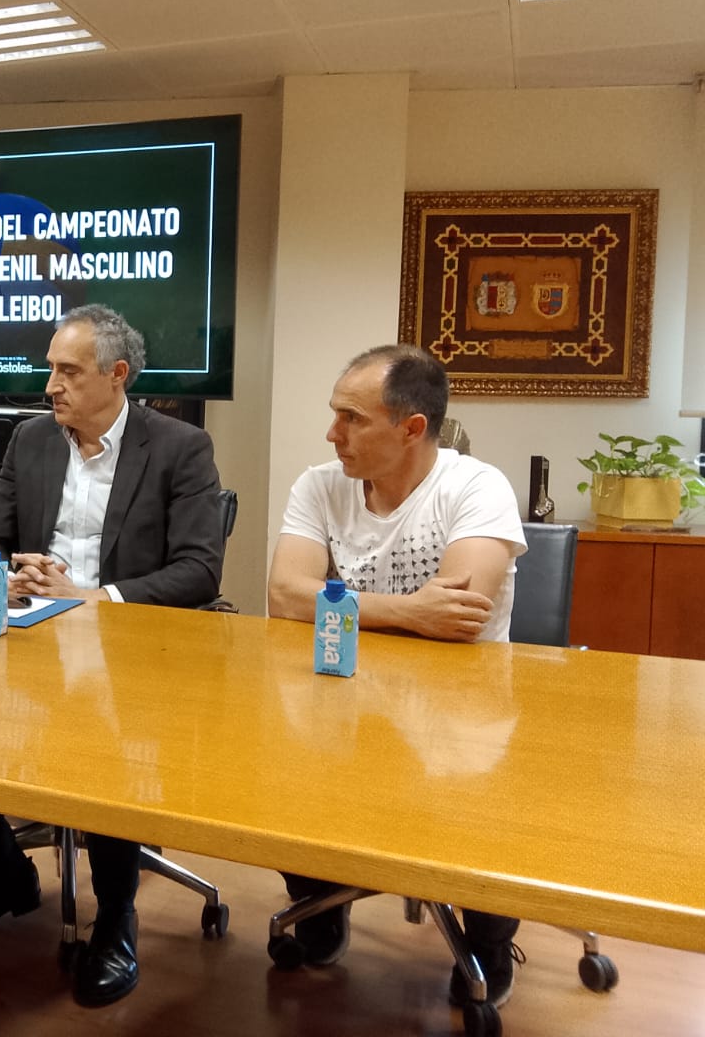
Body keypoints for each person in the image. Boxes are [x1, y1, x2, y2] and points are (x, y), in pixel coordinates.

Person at [0, 304, 226, 1008]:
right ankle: (4, 873)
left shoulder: (180, 447)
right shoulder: (31, 439)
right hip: (30, 634)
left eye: (68, 371)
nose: (51, 385)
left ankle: (115, 919)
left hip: (127, 647)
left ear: (117, 375)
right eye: (51, 369)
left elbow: (200, 570)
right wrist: (5, 573)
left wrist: (93, 597)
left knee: (107, 748)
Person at [267, 343, 527, 1007]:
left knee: (479, 796)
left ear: (411, 428)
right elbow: (284, 597)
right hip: (339, 694)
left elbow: (460, 618)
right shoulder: (319, 485)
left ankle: (489, 940)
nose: (332, 433)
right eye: (335, 414)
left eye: (351, 418)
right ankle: (320, 901)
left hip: (459, 708)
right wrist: (410, 611)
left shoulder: (476, 488)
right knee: (276, 763)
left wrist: (337, 604)